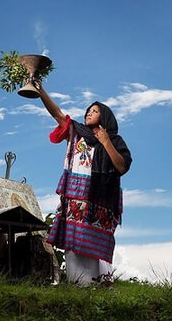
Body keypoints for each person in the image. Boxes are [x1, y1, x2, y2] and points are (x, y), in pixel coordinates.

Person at [34, 80, 132, 286]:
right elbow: (58, 114)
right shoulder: (76, 132)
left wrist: (105, 142)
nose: (89, 113)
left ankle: (101, 284)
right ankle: (77, 284)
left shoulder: (115, 140)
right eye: (88, 110)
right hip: (76, 197)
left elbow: (121, 167)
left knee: (97, 240)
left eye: (95, 111)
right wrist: (41, 91)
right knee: (74, 239)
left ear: (104, 117)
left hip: (100, 201)